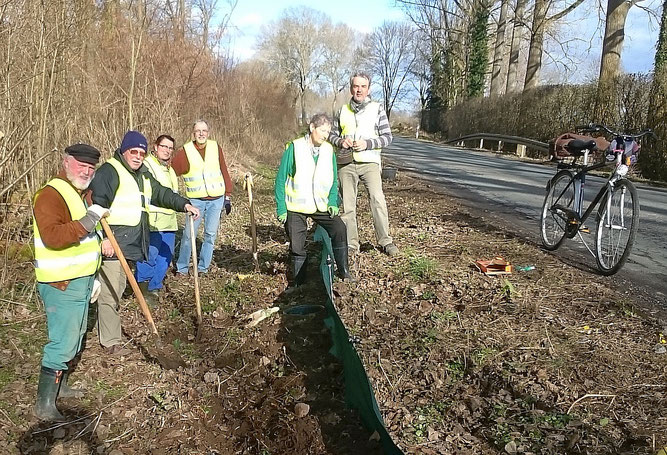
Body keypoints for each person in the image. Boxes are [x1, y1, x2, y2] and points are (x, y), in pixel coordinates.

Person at [89, 131, 200, 355]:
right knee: (110, 291)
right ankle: (110, 342)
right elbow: (94, 206)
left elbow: (160, 193)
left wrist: (183, 204)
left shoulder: (142, 175)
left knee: (117, 288)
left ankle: (107, 330)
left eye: (141, 152)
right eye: (134, 152)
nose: (138, 156)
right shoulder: (110, 171)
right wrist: (102, 238)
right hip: (113, 241)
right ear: (124, 150)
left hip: (130, 242)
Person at [33, 144, 107, 420]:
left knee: (74, 339)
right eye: (81, 165)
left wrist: (97, 263)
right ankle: (43, 406)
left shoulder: (78, 193)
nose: (87, 171)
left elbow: (84, 236)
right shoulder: (51, 195)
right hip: (61, 282)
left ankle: (60, 388)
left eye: (91, 168)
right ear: (66, 162)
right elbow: (53, 236)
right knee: (62, 343)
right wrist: (90, 220)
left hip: (81, 279)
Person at [274, 113, 354, 289]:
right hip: (296, 206)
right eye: (322, 131)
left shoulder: (328, 151)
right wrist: (281, 208)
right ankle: (298, 282)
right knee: (297, 245)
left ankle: (344, 272)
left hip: (320, 204)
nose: (325, 135)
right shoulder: (294, 148)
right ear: (312, 128)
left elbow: (333, 180)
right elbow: (280, 180)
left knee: (339, 228)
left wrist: (332, 202)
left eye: (328, 131)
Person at [329, 72, 399, 256]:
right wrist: (340, 142)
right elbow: (331, 135)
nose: (359, 90)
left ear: (368, 89)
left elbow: (387, 138)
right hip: (346, 163)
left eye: (363, 86)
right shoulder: (341, 110)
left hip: (370, 163)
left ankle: (386, 241)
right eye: (355, 86)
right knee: (347, 206)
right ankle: (352, 245)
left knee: (377, 200)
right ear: (351, 88)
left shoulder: (377, 109)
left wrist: (367, 144)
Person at [172, 120, 233, 275]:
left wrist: (228, 195)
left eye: (204, 130)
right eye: (198, 131)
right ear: (193, 133)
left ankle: (203, 268)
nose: (201, 134)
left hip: (216, 199)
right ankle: (182, 268)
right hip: (196, 202)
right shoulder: (185, 151)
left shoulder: (215, 147)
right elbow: (172, 171)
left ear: (208, 132)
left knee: (210, 235)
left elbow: (224, 170)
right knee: (188, 236)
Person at [134, 135, 179, 305]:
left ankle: (155, 286)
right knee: (149, 255)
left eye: (170, 148)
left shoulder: (170, 169)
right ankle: (144, 289)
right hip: (153, 221)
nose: (167, 150)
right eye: (164, 146)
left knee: (165, 256)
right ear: (155, 146)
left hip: (169, 221)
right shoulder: (147, 166)